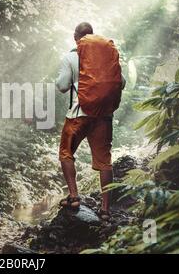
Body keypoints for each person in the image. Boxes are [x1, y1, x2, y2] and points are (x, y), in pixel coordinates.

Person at [55, 22, 126, 220]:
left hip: (79, 114)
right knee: (105, 162)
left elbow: (61, 86)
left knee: (66, 152)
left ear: (76, 37)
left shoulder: (71, 57)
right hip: (103, 116)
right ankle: (105, 210)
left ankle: (74, 196)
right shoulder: (107, 56)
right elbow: (122, 82)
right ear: (92, 36)